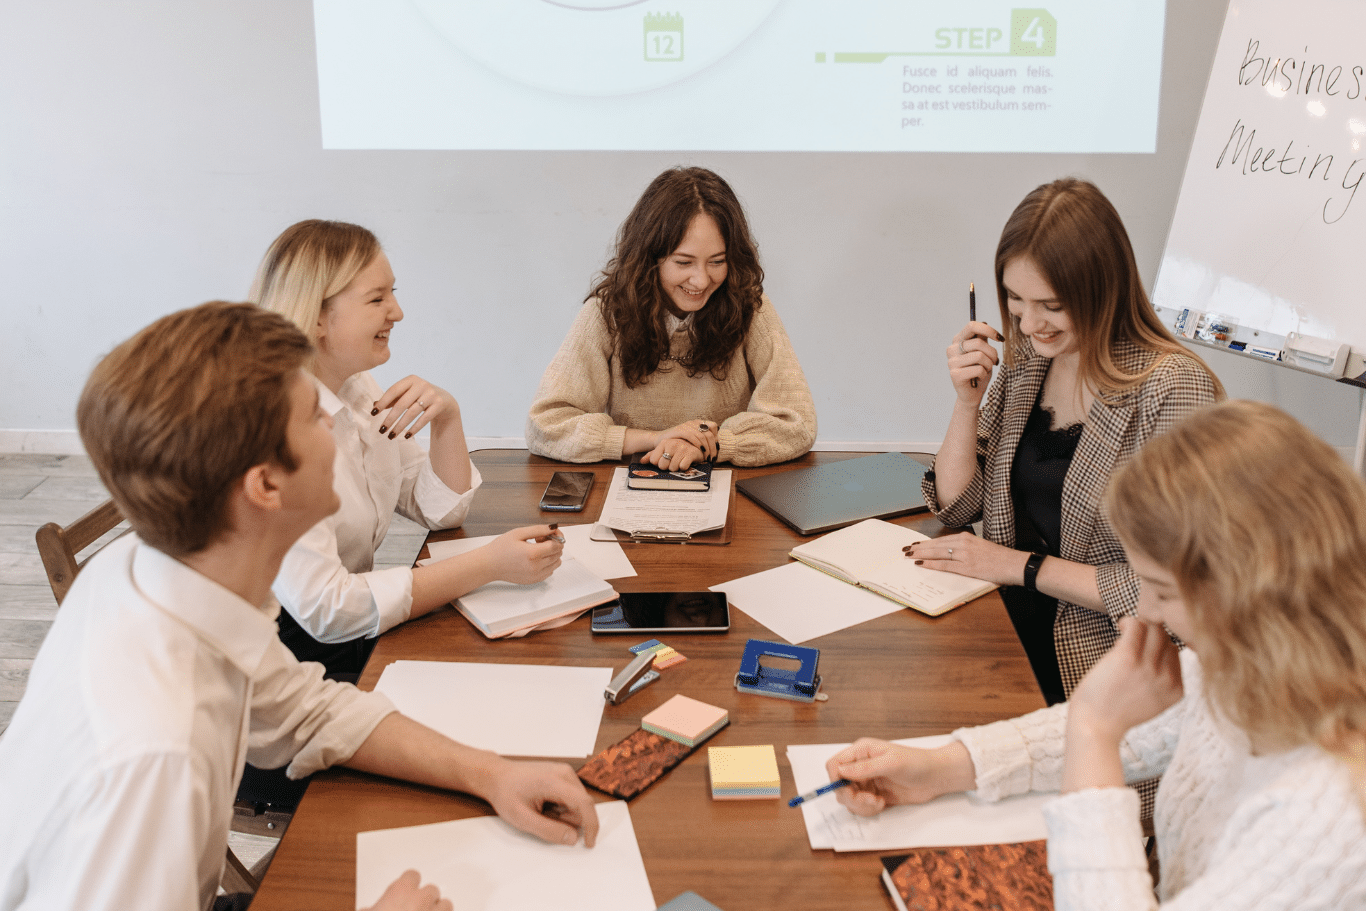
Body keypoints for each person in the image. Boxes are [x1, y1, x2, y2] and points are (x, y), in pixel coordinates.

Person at [0, 303, 598, 911]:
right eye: (319, 417)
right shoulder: (157, 757)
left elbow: (307, 714)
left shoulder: (165, 575)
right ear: (265, 485)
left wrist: (491, 773)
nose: (342, 427)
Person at [829, 400, 1366, 910]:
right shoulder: (1249, 670)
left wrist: (1093, 731)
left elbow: (1107, 738)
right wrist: (940, 766)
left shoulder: (1328, 817)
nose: (1144, 612)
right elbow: (1143, 737)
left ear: (1255, 590)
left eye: (1162, 589)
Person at [909, 178, 1222, 705]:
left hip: (1108, 662)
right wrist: (967, 404)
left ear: (1103, 289)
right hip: (1005, 632)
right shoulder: (1030, 365)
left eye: (1050, 305)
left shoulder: (1173, 387)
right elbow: (960, 505)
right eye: (1014, 299)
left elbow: (1183, 592)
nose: (1029, 323)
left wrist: (1018, 567)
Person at [250, 221, 563, 676]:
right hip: (291, 662)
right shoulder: (273, 429)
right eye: (377, 299)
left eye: (392, 293)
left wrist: (448, 417)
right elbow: (327, 610)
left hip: (352, 631)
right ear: (317, 316)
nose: (397, 312)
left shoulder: (356, 388)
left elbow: (437, 510)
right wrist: (489, 565)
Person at [526, 166, 816, 470]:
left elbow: (797, 423)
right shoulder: (607, 312)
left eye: (717, 261)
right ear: (650, 258)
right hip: (633, 483)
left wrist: (711, 446)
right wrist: (658, 438)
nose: (701, 281)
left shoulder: (751, 308)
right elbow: (545, 427)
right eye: (683, 262)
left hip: (726, 485)